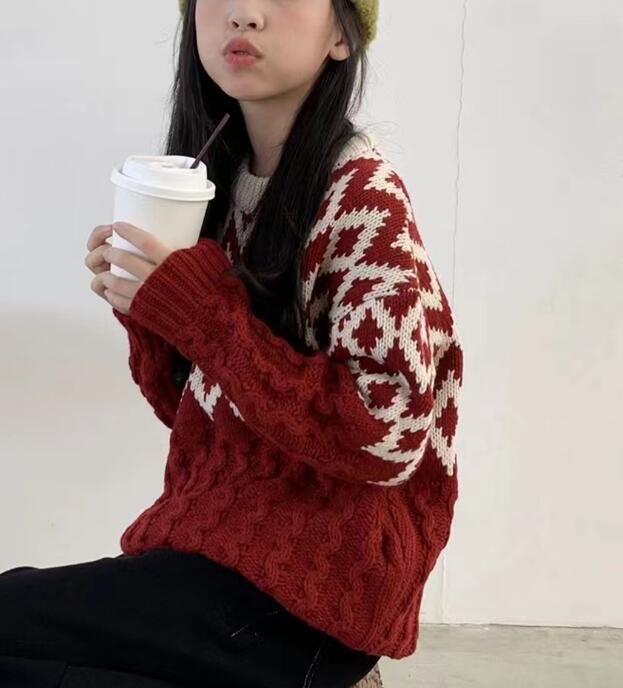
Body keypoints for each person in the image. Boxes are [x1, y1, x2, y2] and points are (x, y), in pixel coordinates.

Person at [0, 1, 464, 686]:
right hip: (220, 557)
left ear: (342, 34)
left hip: (313, 593)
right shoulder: (212, 186)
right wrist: (149, 310)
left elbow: (387, 433)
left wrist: (202, 313)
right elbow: (203, 411)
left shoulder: (364, 199)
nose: (243, 14)